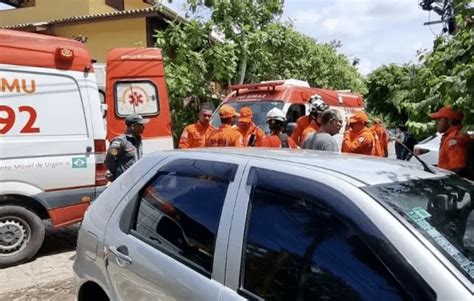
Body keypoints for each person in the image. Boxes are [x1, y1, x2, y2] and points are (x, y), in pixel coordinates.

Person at [104, 114, 148, 181]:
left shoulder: (138, 140)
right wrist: (117, 173)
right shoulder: (120, 142)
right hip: (125, 180)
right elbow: (109, 159)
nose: (143, 127)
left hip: (137, 179)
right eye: (140, 125)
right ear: (133, 126)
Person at [430, 106, 468, 174]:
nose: (436, 123)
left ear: (449, 120)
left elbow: (457, 169)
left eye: (439, 119)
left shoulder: (454, 139)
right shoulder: (454, 135)